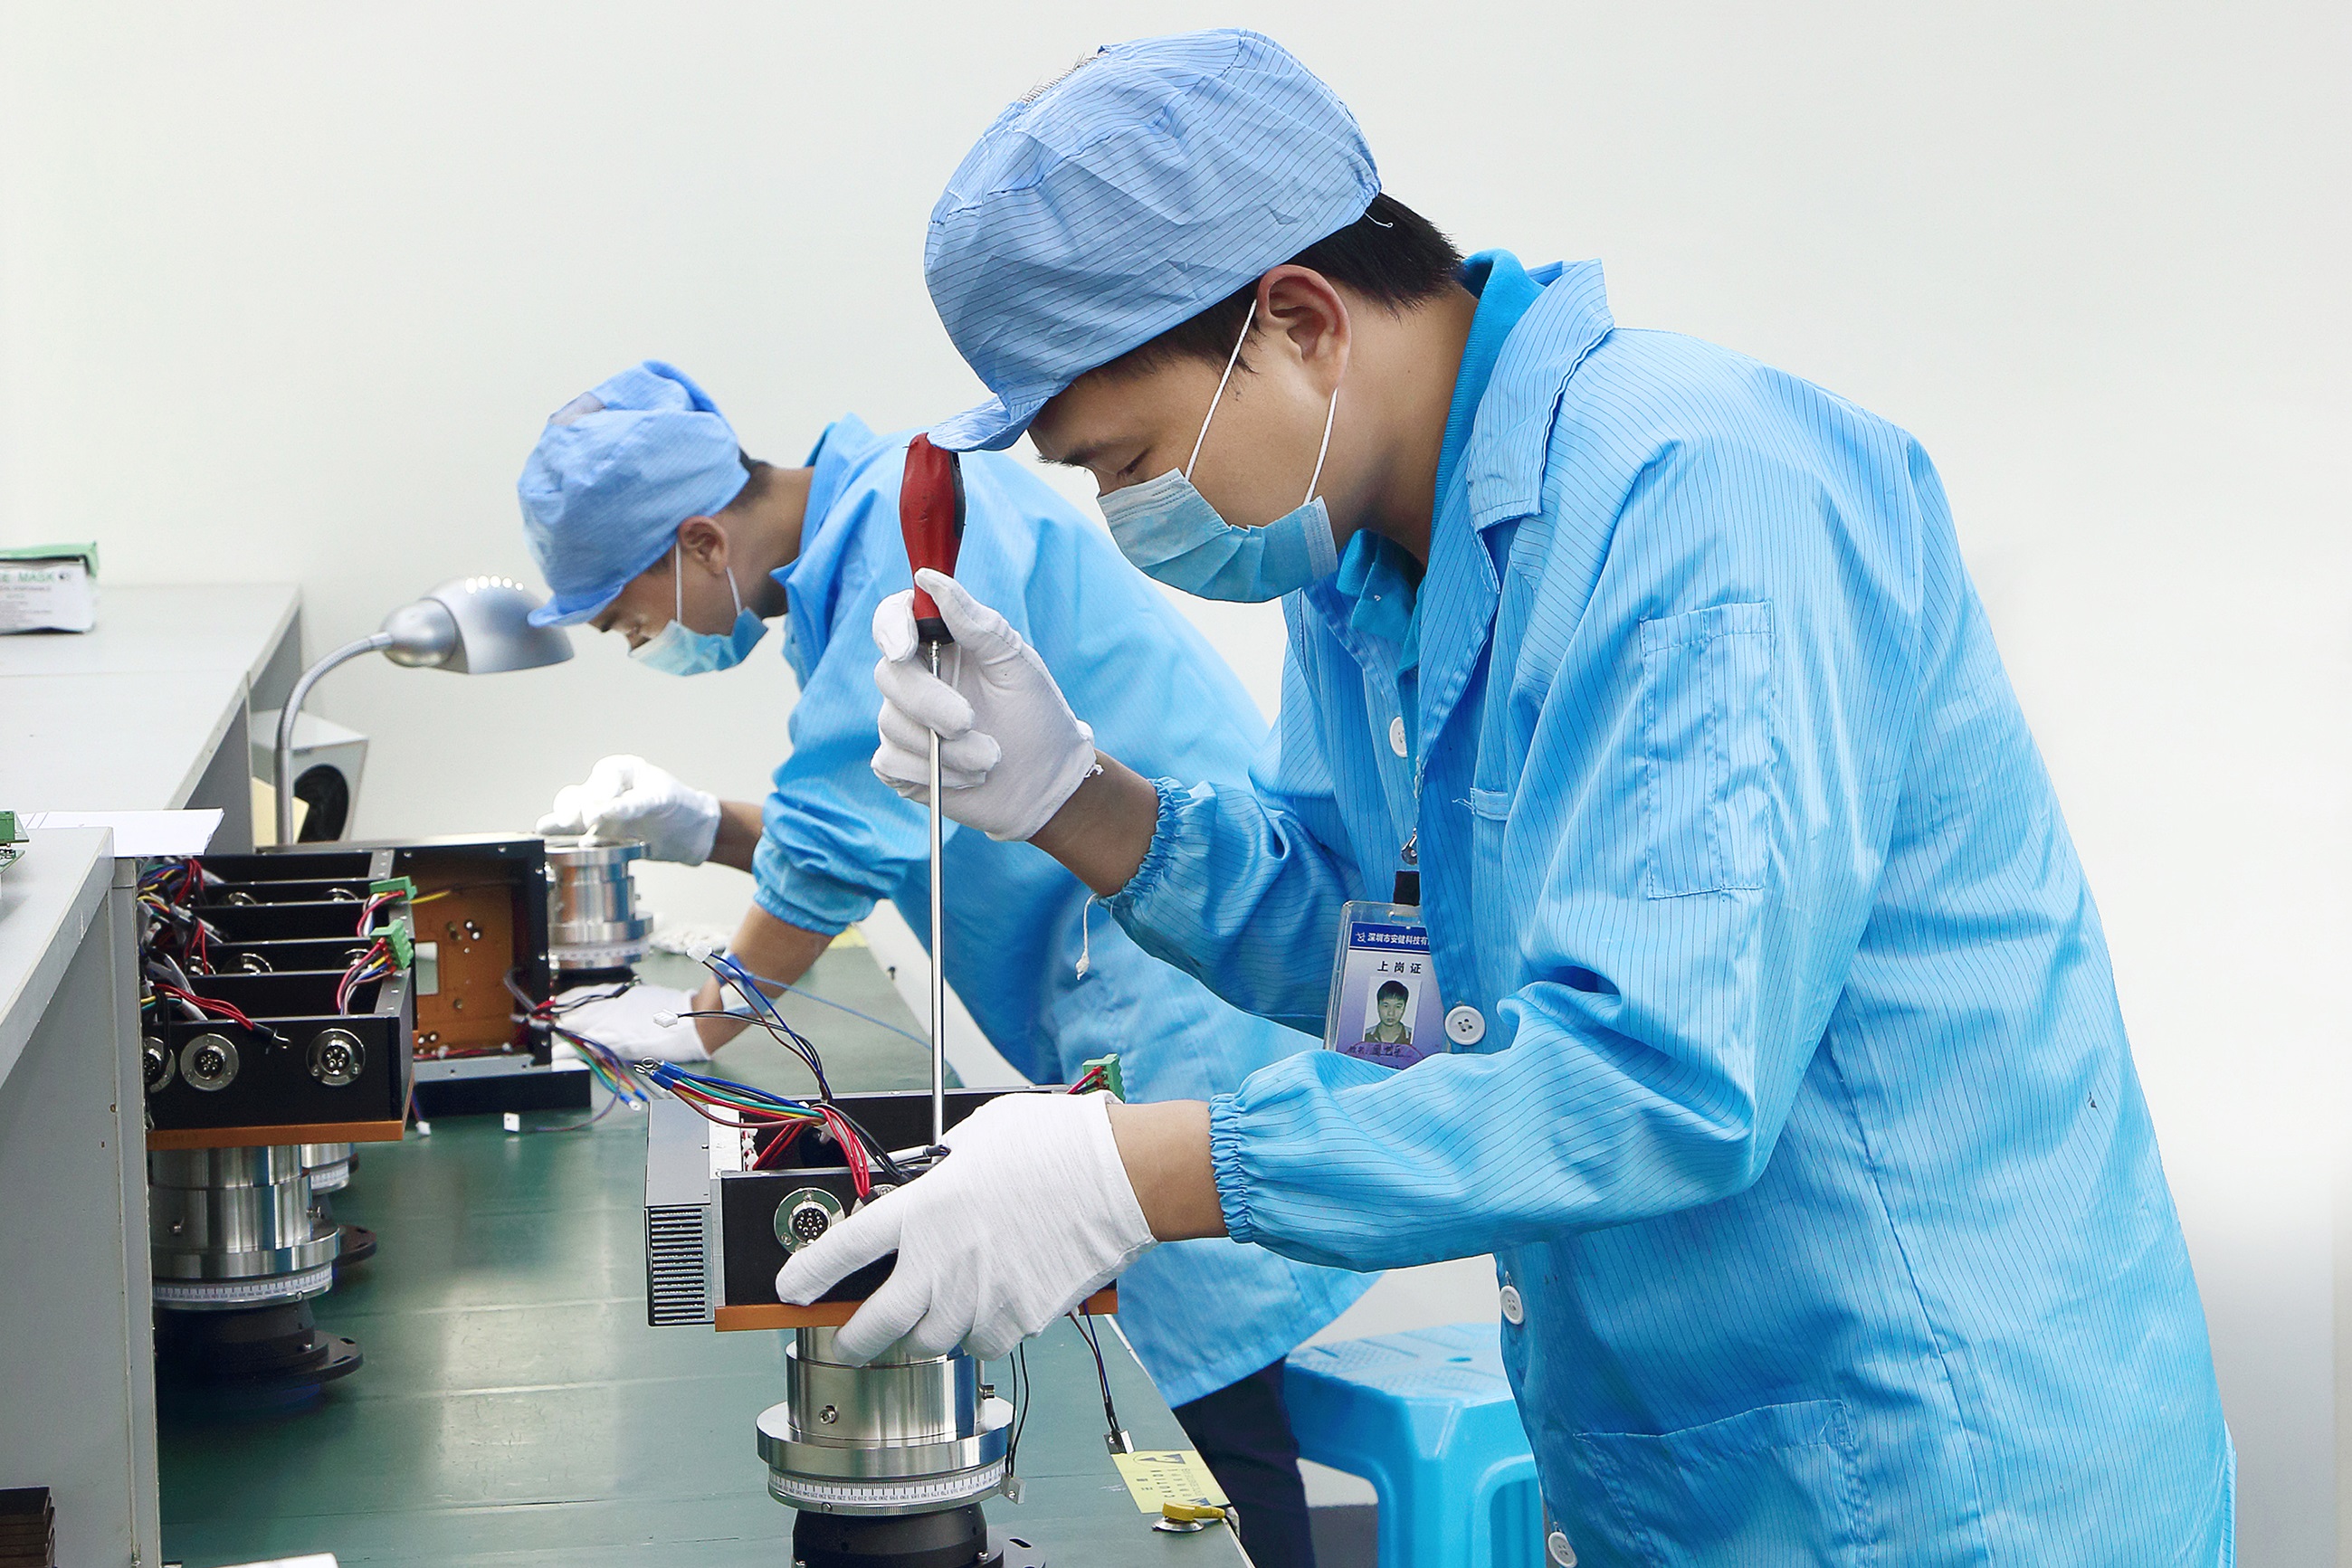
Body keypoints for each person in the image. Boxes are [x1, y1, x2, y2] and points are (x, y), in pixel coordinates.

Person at [777, 30, 2233, 1566]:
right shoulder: (1363, 571)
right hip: (1685, 1462)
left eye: (1125, 459)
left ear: (1298, 321)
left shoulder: (1696, 499)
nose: (1124, 512)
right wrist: (1076, 800)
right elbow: (1398, 990)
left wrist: (1131, 1174)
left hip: (1930, 1469)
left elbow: (1655, 1076)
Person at [515, 359, 1374, 1566]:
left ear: (700, 541)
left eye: (629, 619)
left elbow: (840, 842)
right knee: (1186, 1392)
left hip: (1186, 985)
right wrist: (701, 826)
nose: (642, 641)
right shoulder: (858, 539)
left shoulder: (904, 521)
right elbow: (894, 810)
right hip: (1134, 969)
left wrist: (700, 1023)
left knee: (1206, 1408)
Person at [1361, 981, 1411, 1049]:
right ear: (1378, 1006)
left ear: (1405, 1007)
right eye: (1386, 1006)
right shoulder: (1365, 1036)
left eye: (1398, 1006)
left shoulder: (1412, 1037)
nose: (1391, 1013)